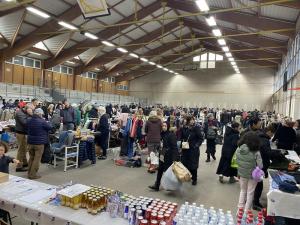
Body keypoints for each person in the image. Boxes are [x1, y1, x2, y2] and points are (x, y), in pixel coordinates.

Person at [236, 131, 263, 211]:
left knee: (243, 190)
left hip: (242, 174)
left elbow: (237, 161)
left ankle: (239, 210)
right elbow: (260, 165)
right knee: (250, 192)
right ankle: (246, 211)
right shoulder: (256, 151)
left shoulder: (239, 149)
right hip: (253, 175)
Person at [149, 123, 179, 191]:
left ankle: (170, 186)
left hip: (169, 155)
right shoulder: (161, 134)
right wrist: (157, 148)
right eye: (163, 126)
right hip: (162, 153)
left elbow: (175, 147)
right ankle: (157, 185)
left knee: (168, 171)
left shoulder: (171, 135)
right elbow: (160, 143)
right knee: (160, 169)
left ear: (168, 127)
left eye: (165, 126)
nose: (163, 127)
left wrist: (174, 158)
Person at [253, 125, 276, 210]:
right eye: (272, 134)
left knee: (254, 184)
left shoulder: (259, 136)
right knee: (259, 185)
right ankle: (255, 203)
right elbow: (267, 153)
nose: (272, 136)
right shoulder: (265, 140)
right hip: (260, 165)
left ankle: (252, 200)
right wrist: (278, 154)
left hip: (255, 164)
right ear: (269, 131)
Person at [26, 108, 52, 179]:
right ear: (40, 114)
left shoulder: (29, 120)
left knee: (31, 158)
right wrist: (48, 122)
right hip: (39, 144)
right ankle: (33, 174)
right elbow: (50, 127)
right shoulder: (42, 121)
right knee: (37, 159)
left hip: (30, 142)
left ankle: (29, 172)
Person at [181, 115, 204, 185]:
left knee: (193, 164)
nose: (192, 121)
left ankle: (194, 178)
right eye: (190, 120)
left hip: (193, 149)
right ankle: (189, 176)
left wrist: (196, 145)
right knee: (185, 163)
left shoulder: (196, 128)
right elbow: (182, 137)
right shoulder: (184, 128)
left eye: (193, 120)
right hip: (185, 149)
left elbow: (201, 138)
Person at [0, 142, 20, 223]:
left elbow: (11, 159)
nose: (0, 152)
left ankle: (4, 215)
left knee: (4, 197)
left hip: (5, 182)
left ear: (5, 151)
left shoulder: (6, 158)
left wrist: (15, 160)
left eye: (1, 150)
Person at [14, 104, 32, 172]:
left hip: (23, 133)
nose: (31, 111)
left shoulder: (24, 113)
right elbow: (25, 122)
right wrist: (30, 115)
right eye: (30, 110)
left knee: (24, 149)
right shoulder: (19, 113)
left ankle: (24, 163)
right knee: (21, 150)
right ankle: (18, 166)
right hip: (20, 133)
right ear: (26, 108)